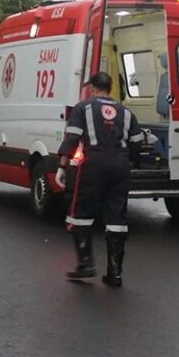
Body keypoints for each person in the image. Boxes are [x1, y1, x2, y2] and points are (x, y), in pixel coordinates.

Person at [56, 72, 144, 287]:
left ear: (93, 88)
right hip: (120, 165)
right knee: (117, 216)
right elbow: (137, 141)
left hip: (93, 164)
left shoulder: (83, 108)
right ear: (110, 88)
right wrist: (129, 162)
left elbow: (72, 137)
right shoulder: (125, 111)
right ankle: (115, 273)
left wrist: (62, 166)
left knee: (81, 212)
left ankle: (86, 264)